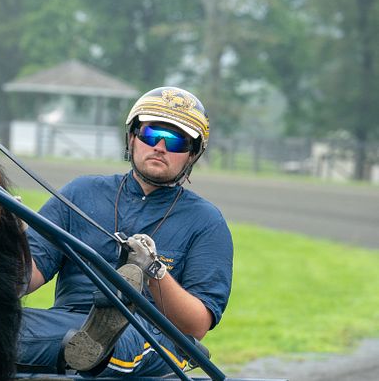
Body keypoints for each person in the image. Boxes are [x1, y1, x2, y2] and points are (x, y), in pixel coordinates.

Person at [17, 86, 233, 377]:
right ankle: (95, 340)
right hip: (67, 325)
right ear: (132, 137)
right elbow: (26, 277)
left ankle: (104, 337)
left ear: (192, 154)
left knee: (128, 339)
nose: (160, 146)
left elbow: (196, 325)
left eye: (176, 141)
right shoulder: (80, 193)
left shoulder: (207, 222)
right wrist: (4, 243)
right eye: (150, 134)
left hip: (156, 336)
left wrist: (154, 271)